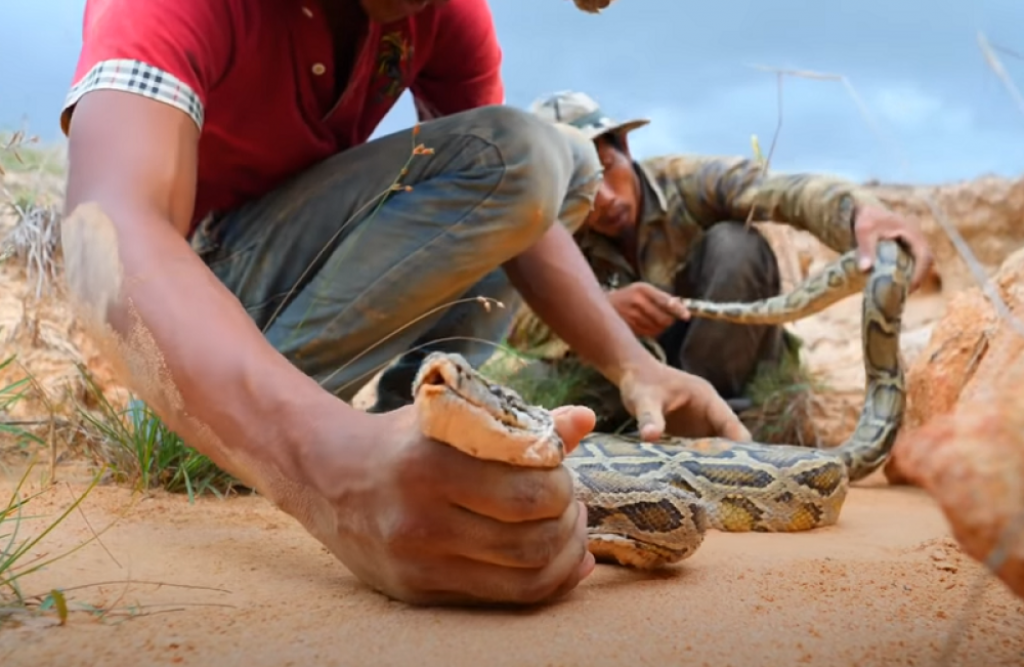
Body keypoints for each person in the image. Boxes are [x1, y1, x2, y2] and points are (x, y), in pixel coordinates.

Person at [57, 0, 752, 607]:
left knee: (557, 162)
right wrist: (335, 471)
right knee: (530, 152)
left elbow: (518, 197)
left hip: (288, 280)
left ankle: (414, 448)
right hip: (198, 296)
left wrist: (635, 367)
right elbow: (106, 232)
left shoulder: (444, 16)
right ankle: (231, 432)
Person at [507, 90, 935, 431]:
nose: (602, 199)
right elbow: (516, 323)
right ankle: (650, 428)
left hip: (734, 365)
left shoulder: (685, 180)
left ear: (625, 147)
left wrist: (859, 213)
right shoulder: (552, 228)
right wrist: (602, 310)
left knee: (735, 244)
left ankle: (717, 420)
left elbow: (784, 192)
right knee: (535, 384)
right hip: (631, 379)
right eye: (580, 187)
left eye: (606, 169)